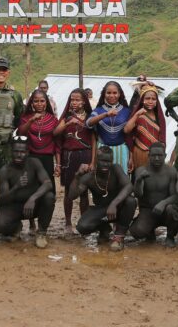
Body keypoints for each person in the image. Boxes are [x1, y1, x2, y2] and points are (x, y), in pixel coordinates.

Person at [0, 140, 55, 248]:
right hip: (14, 205)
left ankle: (41, 233)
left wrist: (32, 198)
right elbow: (3, 198)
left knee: (49, 197)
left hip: (33, 205)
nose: (19, 154)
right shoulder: (5, 170)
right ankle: (16, 228)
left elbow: (48, 183)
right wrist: (16, 187)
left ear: (27, 152)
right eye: (16, 151)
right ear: (11, 152)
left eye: (22, 152)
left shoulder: (34, 163)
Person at [73, 146, 136, 251]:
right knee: (82, 227)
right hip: (101, 210)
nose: (106, 164)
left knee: (130, 201)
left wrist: (114, 204)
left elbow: (129, 186)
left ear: (112, 161)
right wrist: (77, 176)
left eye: (108, 161)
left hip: (118, 208)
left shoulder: (116, 169)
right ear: (97, 160)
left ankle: (119, 237)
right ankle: (104, 229)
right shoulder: (89, 177)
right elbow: (72, 195)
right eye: (102, 161)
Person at [54, 88, 95, 234]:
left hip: (85, 156)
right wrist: (67, 123)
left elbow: (94, 140)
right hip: (69, 157)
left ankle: (83, 222)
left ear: (84, 102)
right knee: (68, 192)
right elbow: (56, 135)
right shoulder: (65, 118)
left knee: (84, 191)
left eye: (77, 100)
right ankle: (68, 223)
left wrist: (92, 161)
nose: (74, 102)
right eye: (72, 99)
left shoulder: (90, 118)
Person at [128, 142, 178, 246]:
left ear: (165, 156)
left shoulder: (171, 171)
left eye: (160, 155)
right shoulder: (141, 171)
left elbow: (175, 196)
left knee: (172, 210)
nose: (156, 158)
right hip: (148, 211)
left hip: (165, 210)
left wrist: (163, 203)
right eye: (154, 155)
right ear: (149, 156)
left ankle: (170, 237)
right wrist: (139, 181)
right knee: (137, 232)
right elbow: (138, 195)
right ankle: (149, 232)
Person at [17, 89, 59, 188]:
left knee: (47, 188)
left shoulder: (53, 120)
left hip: (47, 159)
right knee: (31, 187)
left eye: (42, 101)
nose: (39, 104)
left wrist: (58, 164)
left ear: (46, 102)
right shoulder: (26, 118)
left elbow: (57, 143)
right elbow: (20, 133)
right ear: (32, 103)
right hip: (30, 157)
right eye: (36, 101)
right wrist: (31, 120)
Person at [87, 81, 132, 173]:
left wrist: (131, 157)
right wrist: (105, 114)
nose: (112, 95)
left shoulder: (127, 111)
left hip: (121, 151)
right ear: (104, 94)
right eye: (108, 93)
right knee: (102, 182)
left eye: (115, 93)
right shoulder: (98, 110)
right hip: (102, 152)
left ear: (120, 94)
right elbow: (88, 123)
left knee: (120, 181)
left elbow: (131, 136)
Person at [124, 84, 166, 172]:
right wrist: (137, 114)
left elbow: (162, 139)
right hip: (139, 154)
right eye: (147, 98)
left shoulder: (159, 118)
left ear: (156, 101)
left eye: (153, 99)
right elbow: (126, 130)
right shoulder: (138, 116)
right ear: (142, 100)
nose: (150, 101)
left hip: (155, 155)